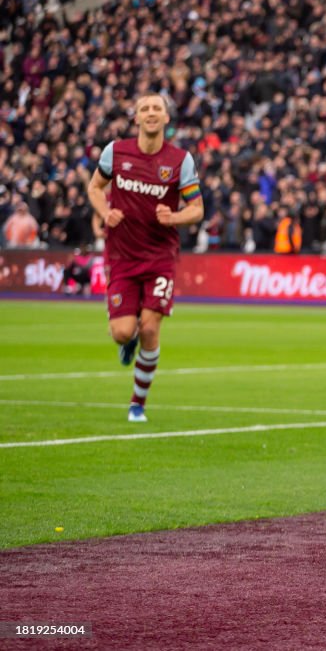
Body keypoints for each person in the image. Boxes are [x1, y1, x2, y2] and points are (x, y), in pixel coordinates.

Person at [87, 93, 204, 423]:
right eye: (145, 109)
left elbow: (197, 209)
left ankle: (137, 404)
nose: (151, 113)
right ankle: (129, 339)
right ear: (136, 117)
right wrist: (104, 211)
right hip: (122, 255)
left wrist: (174, 217)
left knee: (150, 327)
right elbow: (95, 188)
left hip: (159, 257)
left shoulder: (181, 161)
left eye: (157, 109)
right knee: (123, 332)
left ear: (167, 119)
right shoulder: (115, 151)